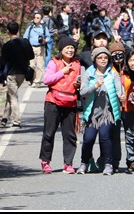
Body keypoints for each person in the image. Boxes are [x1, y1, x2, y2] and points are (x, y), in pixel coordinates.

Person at [77, 46, 125, 175]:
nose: (103, 60)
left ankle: (108, 164)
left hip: (107, 113)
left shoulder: (112, 74)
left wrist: (122, 96)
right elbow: (83, 92)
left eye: (105, 58)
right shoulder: (89, 73)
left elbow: (120, 91)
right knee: (88, 139)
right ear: (95, 59)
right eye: (100, 57)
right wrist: (95, 85)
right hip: (92, 114)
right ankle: (84, 163)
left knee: (104, 137)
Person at [40, 35, 82, 174]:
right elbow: (47, 80)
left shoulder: (77, 64)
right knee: (49, 133)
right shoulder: (54, 62)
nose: (70, 50)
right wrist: (61, 72)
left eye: (72, 48)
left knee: (70, 134)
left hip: (70, 102)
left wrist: (78, 84)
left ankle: (68, 163)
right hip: (53, 101)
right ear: (61, 49)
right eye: (67, 48)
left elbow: (78, 81)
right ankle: (45, 161)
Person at [110, 41, 134, 173]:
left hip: (129, 107)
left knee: (131, 135)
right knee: (114, 136)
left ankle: (133, 160)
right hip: (114, 108)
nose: (118, 57)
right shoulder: (108, 69)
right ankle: (114, 161)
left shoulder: (130, 69)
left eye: (120, 54)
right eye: (114, 54)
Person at [0, 21, 34, 128]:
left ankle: (17, 119)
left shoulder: (7, 45)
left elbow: (3, 61)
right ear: (18, 30)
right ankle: (5, 118)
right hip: (22, 74)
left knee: (13, 97)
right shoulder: (25, 42)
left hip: (11, 73)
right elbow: (31, 56)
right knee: (10, 94)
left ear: (8, 31)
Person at [23, 11, 51, 87]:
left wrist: (45, 40)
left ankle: (37, 81)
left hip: (40, 48)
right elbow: (25, 37)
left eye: (37, 18)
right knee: (31, 65)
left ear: (41, 19)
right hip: (31, 47)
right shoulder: (30, 27)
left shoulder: (44, 28)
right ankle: (32, 78)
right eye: (35, 17)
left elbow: (48, 37)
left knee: (40, 65)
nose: (35, 19)